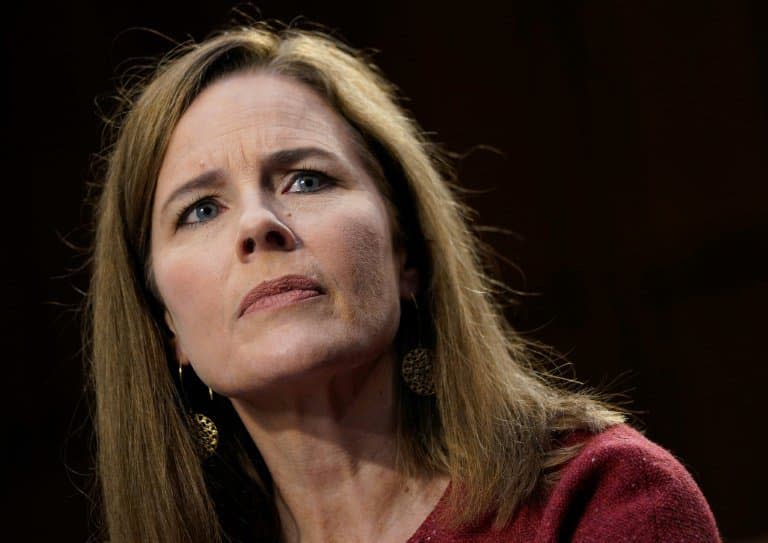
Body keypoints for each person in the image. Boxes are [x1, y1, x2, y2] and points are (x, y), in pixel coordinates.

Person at [85, 22, 720, 542]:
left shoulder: (599, 499)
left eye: (306, 179)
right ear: (167, 325)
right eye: (200, 209)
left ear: (405, 252)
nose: (258, 223)